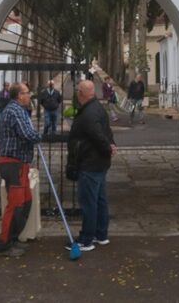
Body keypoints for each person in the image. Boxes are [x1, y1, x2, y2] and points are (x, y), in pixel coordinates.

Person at [65, 79, 116, 252]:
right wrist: (111, 144)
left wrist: (108, 147)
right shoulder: (97, 107)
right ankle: (101, 235)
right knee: (100, 200)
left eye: (78, 91)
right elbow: (106, 131)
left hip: (90, 163)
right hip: (99, 162)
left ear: (81, 94)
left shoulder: (88, 114)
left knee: (89, 202)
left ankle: (86, 239)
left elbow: (98, 135)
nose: (76, 94)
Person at [0, 83, 42, 257]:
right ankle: (3, 244)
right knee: (16, 204)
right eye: (27, 93)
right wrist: (39, 136)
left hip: (18, 163)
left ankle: (12, 238)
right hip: (13, 163)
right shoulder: (15, 111)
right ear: (19, 95)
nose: (29, 95)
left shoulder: (18, 110)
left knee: (25, 202)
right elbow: (27, 133)